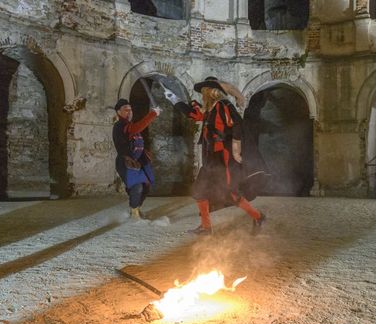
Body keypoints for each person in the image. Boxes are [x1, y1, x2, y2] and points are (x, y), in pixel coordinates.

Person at [171, 77, 266, 235]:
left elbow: (237, 124)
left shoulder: (223, 105)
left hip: (223, 158)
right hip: (211, 159)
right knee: (200, 191)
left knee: (231, 193)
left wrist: (236, 149)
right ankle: (206, 227)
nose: (202, 95)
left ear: (210, 92)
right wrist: (174, 100)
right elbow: (194, 115)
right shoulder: (210, 110)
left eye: (204, 92)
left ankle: (258, 217)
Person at [112, 98, 161, 218]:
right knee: (137, 186)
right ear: (118, 112)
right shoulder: (119, 125)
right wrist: (153, 114)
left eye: (130, 110)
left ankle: (136, 208)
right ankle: (134, 214)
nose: (129, 112)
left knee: (146, 186)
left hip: (139, 161)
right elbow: (136, 129)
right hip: (127, 162)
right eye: (126, 110)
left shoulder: (129, 124)